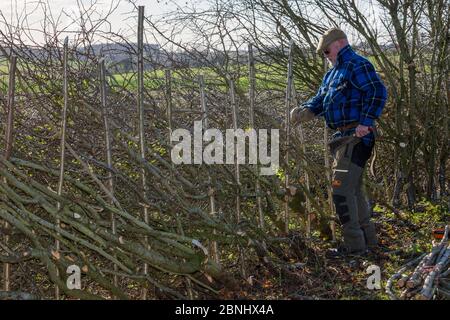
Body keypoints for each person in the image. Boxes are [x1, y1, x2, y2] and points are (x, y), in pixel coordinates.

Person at [290, 28, 387, 258]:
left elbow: (377, 91)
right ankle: (368, 242)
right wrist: (306, 111)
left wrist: (366, 121)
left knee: (340, 190)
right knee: (353, 190)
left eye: (326, 50)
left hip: (356, 136)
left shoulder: (356, 64)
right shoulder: (333, 74)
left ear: (340, 43)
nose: (325, 54)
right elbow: (321, 99)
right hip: (343, 138)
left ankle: (354, 247)